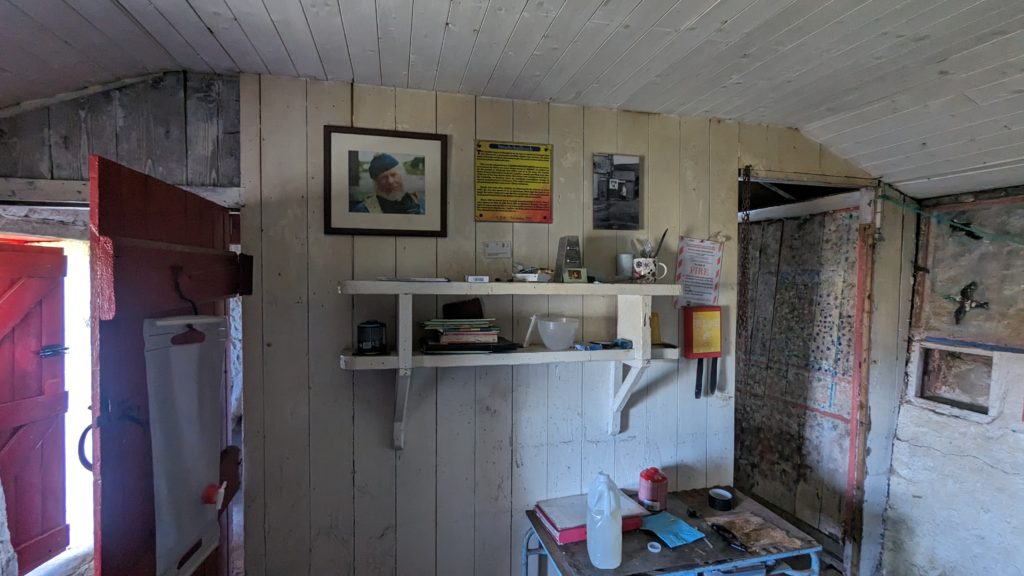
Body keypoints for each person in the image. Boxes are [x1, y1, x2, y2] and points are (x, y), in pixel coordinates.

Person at [352, 153, 424, 214]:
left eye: (393, 175)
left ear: (402, 176)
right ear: (376, 183)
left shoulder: (420, 204)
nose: (390, 181)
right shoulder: (364, 210)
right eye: (383, 177)